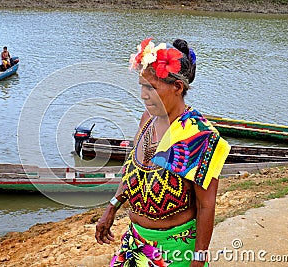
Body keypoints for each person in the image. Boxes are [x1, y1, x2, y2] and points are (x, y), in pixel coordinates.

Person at [95, 37, 230, 267]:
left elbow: (206, 205)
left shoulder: (200, 136)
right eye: (142, 86)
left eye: (152, 88)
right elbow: (133, 170)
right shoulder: (148, 119)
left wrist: (198, 260)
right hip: (134, 243)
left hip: (174, 252)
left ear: (177, 87)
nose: (143, 95)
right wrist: (111, 207)